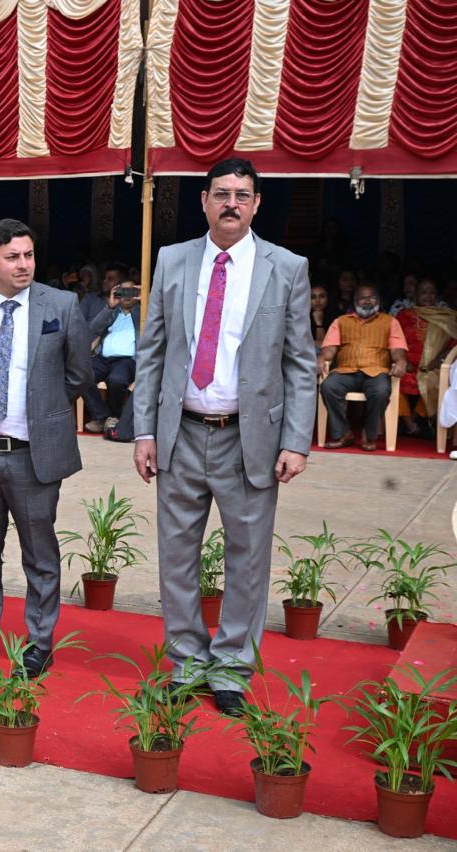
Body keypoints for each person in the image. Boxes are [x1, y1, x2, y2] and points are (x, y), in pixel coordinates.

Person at [132, 158, 317, 716]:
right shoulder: (173, 260)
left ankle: (232, 668)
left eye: (242, 194)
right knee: (177, 555)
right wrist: (143, 430)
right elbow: (152, 351)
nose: (231, 203)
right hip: (181, 432)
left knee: (247, 556)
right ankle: (188, 660)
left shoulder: (286, 268)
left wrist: (296, 440)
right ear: (205, 202)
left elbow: (301, 362)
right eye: (221, 194)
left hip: (249, 439)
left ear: (257, 204)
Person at [0, 219, 91, 675]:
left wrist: (43, 411)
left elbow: (79, 374)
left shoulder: (61, 305)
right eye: (13, 257)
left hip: (33, 454)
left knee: (39, 554)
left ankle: (40, 641)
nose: (24, 264)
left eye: (28, 255)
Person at [318, 285, 408, 451]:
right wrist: (321, 358)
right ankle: (343, 433)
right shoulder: (341, 321)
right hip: (346, 370)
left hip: (376, 371)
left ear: (379, 301)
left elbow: (397, 350)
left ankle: (370, 433)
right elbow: (330, 348)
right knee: (328, 386)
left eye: (372, 297)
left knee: (380, 391)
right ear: (354, 302)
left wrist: (401, 361)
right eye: (362, 298)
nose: (367, 301)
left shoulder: (390, 322)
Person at [396, 279, 457, 436]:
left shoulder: (446, 317)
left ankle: (413, 421)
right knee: (393, 378)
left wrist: (439, 360)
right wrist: (403, 359)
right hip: (407, 364)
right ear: (415, 295)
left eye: (432, 292)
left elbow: (453, 345)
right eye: (424, 292)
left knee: (436, 381)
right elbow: (394, 340)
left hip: (432, 366)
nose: (428, 296)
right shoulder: (403, 316)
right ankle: (411, 425)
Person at [82, 276, 141, 433]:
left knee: (117, 380)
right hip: (103, 359)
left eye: (132, 291)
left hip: (127, 361)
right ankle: (102, 417)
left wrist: (146, 299)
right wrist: (110, 307)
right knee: (81, 374)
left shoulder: (143, 313)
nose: (127, 295)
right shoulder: (112, 312)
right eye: (123, 291)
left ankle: (116, 417)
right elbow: (92, 330)